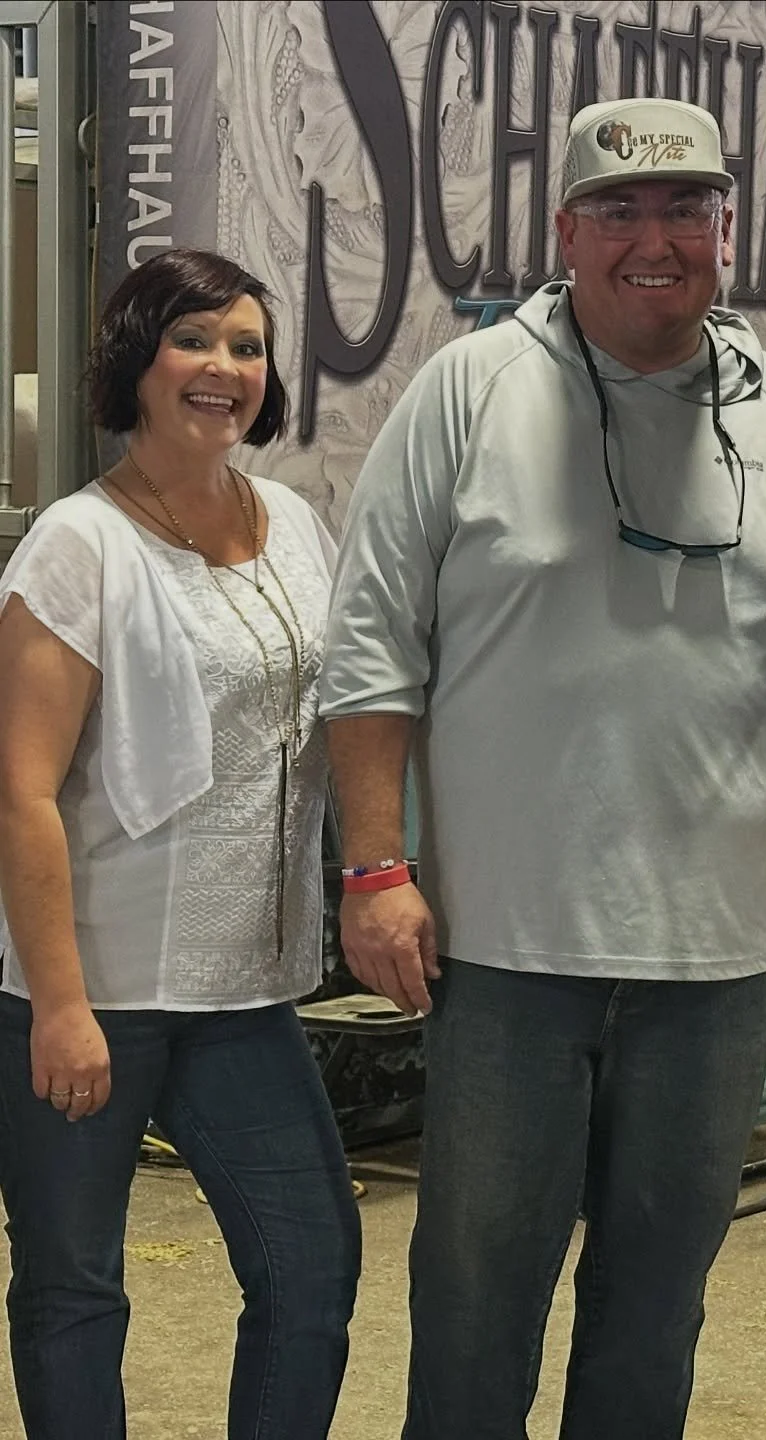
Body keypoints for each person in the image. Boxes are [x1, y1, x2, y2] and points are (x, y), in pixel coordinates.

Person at [320, 97, 766, 1439]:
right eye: (623, 211)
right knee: (476, 1302)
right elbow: (368, 652)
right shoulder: (468, 391)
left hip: (710, 975)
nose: (657, 239)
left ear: (727, 231)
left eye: (687, 208)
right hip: (509, 964)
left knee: (656, 1308)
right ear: (567, 230)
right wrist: (375, 869)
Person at [0, 249, 361, 1439]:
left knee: (311, 1273)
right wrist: (59, 1005)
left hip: (245, 989)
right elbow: (22, 793)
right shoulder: (76, 544)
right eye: (195, 340)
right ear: (138, 363)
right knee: (74, 1291)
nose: (225, 368)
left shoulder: (296, 524)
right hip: (91, 988)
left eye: (248, 347)